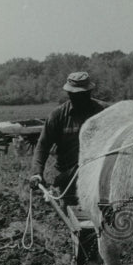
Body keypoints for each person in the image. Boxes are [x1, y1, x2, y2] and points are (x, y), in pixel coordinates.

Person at [29, 71, 105, 205]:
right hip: (68, 178)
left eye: (83, 94)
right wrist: (37, 172)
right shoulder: (58, 116)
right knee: (72, 216)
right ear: (69, 94)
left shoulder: (104, 112)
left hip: (98, 176)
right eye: (75, 95)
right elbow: (43, 146)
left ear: (89, 92)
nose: (80, 98)